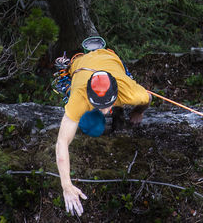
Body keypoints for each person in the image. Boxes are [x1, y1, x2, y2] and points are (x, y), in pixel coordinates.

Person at [54, 46, 151, 216]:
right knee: (94, 127)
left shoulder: (131, 92)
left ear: (116, 94)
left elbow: (148, 98)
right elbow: (62, 141)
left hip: (109, 58)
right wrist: (66, 185)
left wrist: (138, 111)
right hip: (81, 64)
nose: (105, 111)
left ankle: (113, 107)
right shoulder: (79, 96)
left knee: (105, 115)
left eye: (108, 105)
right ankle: (95, 106)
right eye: (100, 106)